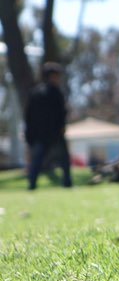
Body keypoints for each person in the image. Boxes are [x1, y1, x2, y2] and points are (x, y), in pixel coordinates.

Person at [24, 61, 73, 190]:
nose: (58, 79)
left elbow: (28, 115)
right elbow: (61, 112)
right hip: (54, 132)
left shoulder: (35, 92)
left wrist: (30, 133)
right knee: (63, 158)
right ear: (51, 76)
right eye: (56, 76)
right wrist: (62, 127)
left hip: (40, 133)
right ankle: (67, 183)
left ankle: (32, 184)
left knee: (38, 159)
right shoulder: (56, 92)